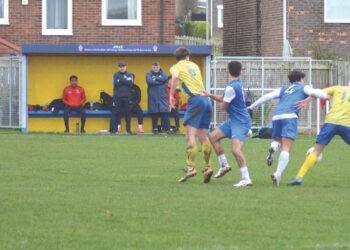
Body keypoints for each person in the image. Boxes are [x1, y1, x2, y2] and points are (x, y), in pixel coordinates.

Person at [248, 70, 328, 186]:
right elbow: (315, 92)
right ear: (301, 78)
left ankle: (273, 148)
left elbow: (267, 96)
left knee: (278, 140)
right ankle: (277, 174)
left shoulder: (284, 88)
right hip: (290, 116)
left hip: (277, 116)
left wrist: (251, 106)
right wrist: (326, 95)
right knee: (286, 148)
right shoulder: (303, 87)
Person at [202, 61, 253, 187]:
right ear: (240, 72)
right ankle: (224, 165)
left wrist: (222, 101)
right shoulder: (237, 84)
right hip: (235, 120)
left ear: (227, 70)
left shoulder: (231, 87)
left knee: (236, 150)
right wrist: (211, 95)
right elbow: (226, 98)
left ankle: (246, 179)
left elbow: (223, 106)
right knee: (213, 137)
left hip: (240, 121)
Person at [288, 82, 350, 186]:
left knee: (316, 151)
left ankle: (298, 177)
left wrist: (306, 101)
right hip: (346, 124)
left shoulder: (337, 88)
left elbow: (318, 93)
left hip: (330, 122)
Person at [169, 47, 213, 183]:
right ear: (188, 57)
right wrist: (179, 87)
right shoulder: (194, 65)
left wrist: (171, 95)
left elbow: (175, 77)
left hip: (195, 101)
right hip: (206, 100)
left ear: (177, 58)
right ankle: (207, 167)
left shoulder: (176, 67)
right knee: (203, 136)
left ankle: (190, 168)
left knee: (189, 135)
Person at [110, 61, 134, 134]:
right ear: (118, 68)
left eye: (123, 66)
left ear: (125, 67)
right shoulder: (115, 75)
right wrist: (125, 81)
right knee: (116, 113)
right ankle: (114, 129)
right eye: (120, 67)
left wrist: (120, 80)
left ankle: (128, 130)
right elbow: (115, 83)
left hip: (127, 97)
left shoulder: (130, 74)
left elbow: (130, 82)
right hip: (117, 97)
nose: (122, 68)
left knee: (128, 114)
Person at [146, 62, 169, 133]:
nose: (155, 69)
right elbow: (149, 81)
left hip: (162, 96)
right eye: (154, 67)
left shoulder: (163, 73)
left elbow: (165, 78)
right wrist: (160, 82)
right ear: (152, 67)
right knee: (154, 112)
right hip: (153, 96)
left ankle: (164, 128)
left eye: (157, 67)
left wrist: (155, 80)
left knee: (164, 111)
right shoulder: (149, 74)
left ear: (159, 67)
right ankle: (155, 128)